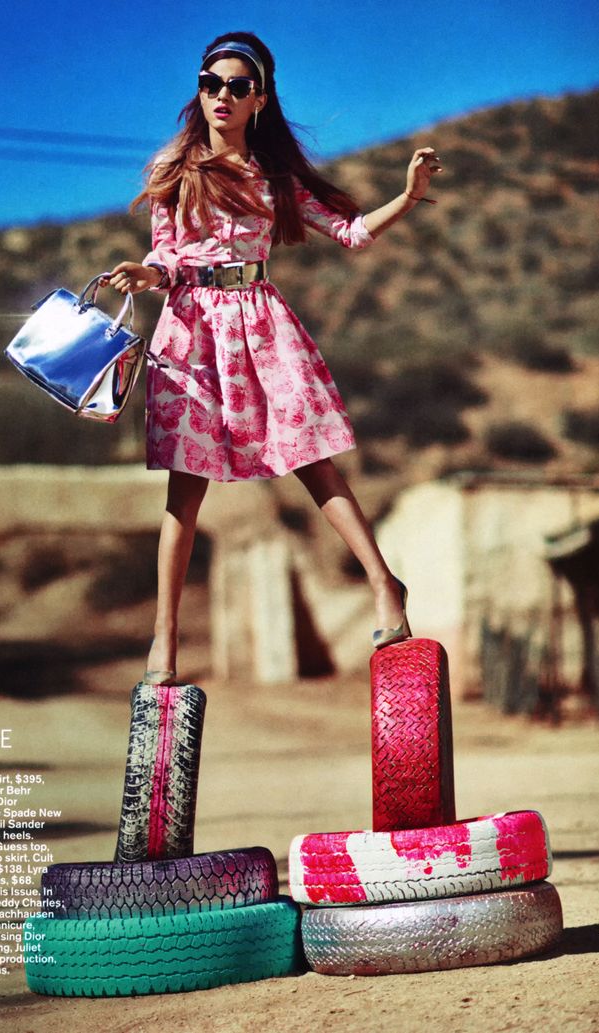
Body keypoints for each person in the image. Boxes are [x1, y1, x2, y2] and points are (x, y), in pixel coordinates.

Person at [102, 31, 442, 685]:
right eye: (209, 83)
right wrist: (144, 276)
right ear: (198, 91)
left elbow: (351, 233)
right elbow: (165, 254)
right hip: (189, 336)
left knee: (312, 461)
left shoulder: (274, 177)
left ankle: (384, 587)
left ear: (259, 99)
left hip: (258, 325)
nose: (220, 96)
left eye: (235, 86)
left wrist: (409, 192)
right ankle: (165, 642)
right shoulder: (172, 171)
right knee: (182, 493)